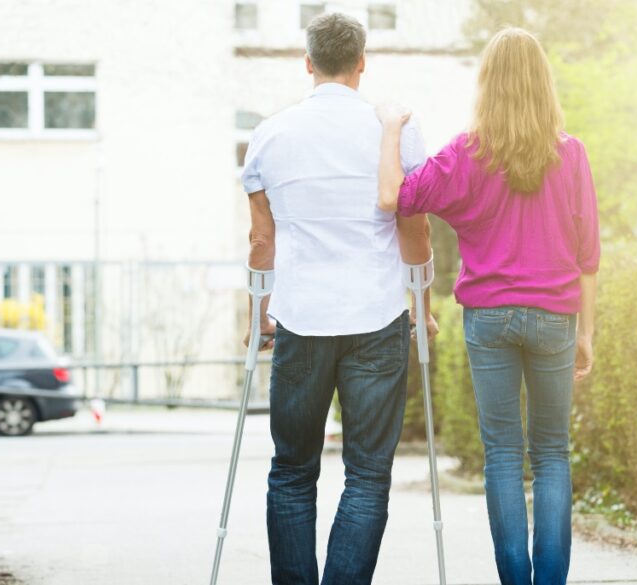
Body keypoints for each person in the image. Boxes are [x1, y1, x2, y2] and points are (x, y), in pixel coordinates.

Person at [377, 27, 600, 585]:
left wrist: (391, 130)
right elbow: (588, 254)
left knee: (502, 453)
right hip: (555, 316)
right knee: (551, 453)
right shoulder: (570, 155)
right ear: (542, 85)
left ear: (487, 86)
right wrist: (586, 331)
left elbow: (399, 197)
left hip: (490, 317)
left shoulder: (466, 154)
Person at [240, 12, 435, 585]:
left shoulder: (270, 134)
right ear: (362, 62)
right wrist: (422, 308)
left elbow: (261, 240)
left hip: (300, 317)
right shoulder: (397, 132)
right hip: (377, 316)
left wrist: (258, 317)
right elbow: (416, 230)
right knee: (368, 476)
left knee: (292, 471)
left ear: (308, 63)